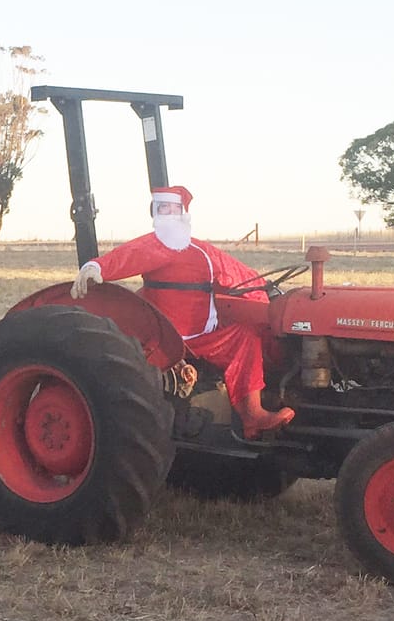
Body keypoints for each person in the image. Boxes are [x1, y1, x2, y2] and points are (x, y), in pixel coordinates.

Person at [70, 185, 292, 435]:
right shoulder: (154, 245)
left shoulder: (202, 251)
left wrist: (266, 289)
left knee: (246, 337)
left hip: (204, 335)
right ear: (155, 212)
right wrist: (97, 267)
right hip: (165, 338)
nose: (169, 213)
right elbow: (129, 255)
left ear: (183, 212)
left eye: (174, 208)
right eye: (163, 208)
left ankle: (252, 414)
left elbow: (235, 273)